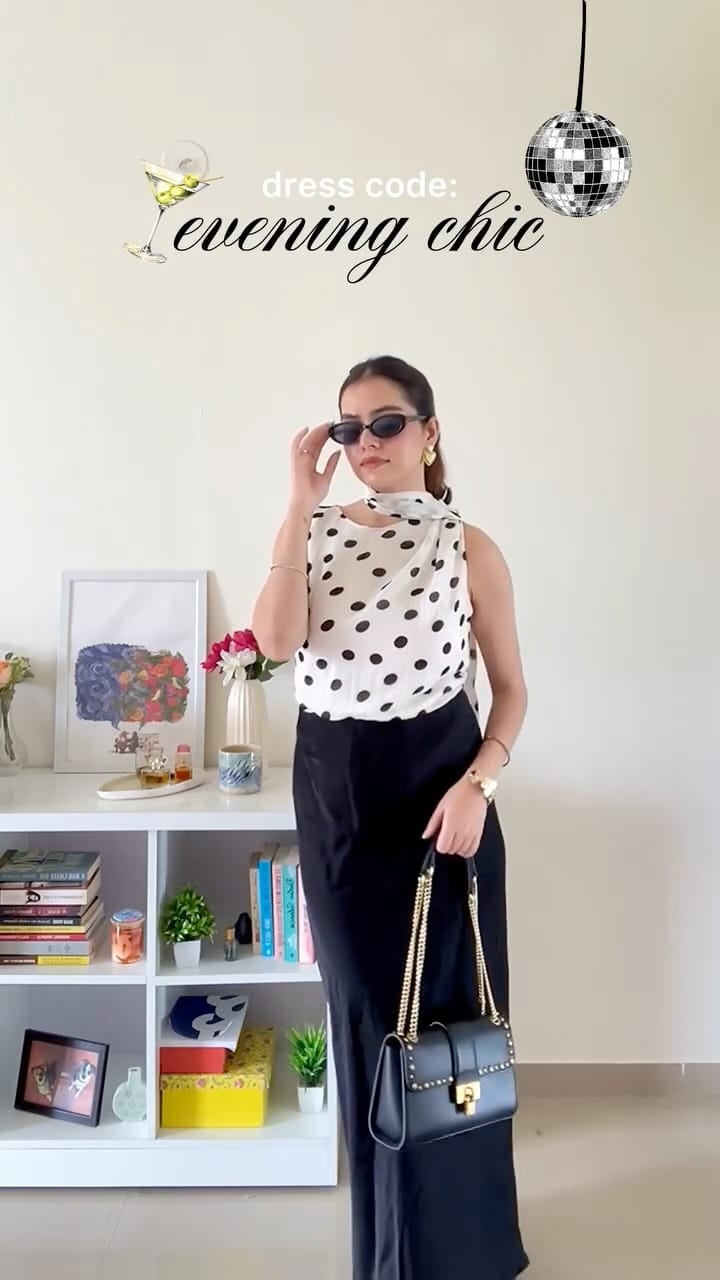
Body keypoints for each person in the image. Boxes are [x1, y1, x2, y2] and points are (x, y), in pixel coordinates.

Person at [251, 354, 530, 1280]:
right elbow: (275, 641)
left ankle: (466, 1248)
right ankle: (391, 1253)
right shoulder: (315, 533)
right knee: (371, 1020)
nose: (366, 442)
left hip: (445, 793)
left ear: (429, 432)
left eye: (386, 423)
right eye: (350, 428)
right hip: (339, 796)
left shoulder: (469, 546)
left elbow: (511, 692)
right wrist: (298, 504)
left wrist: (479, 786)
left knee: (455, 1018)